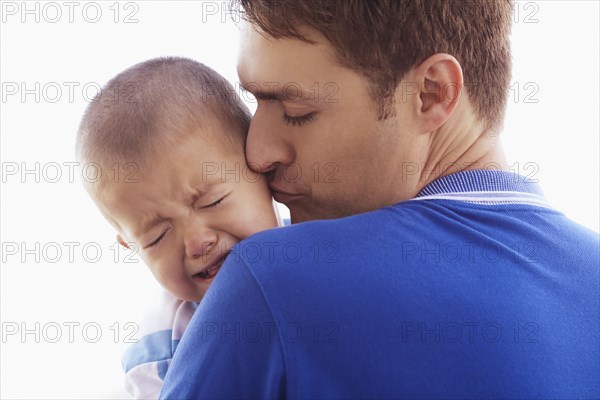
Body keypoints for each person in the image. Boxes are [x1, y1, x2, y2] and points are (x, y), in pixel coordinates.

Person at [160, 1, 600, 398]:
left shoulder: (273, 283)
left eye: (297, 112)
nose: (256, 154)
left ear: (430, 93)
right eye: (256, 102)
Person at [75, 56, 280, 398]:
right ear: (132, 246)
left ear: (261, 170)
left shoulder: (322, 246)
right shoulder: (160, 356)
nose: (197, 241)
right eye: (157, 237)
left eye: (211, 202)